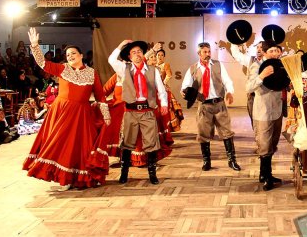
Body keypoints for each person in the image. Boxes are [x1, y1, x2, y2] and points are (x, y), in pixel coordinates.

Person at [23, 28, 111, 188]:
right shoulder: (63, 68)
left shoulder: (92, 73)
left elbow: (100, 95)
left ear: (81, 55)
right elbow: (43, 64)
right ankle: (63, 176)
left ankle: (78, 177)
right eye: (68, 54)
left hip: (81, 115)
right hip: (61, 112)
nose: (70, 56)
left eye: (73, 53)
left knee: (79, 146)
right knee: (59, 144)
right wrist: (35, 46)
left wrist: (106, 114)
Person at [108, 40, 168, 185]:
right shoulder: (124, 69)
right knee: (127, 142)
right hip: (131, 111)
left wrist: (164, 104)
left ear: (143, 54)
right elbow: (111, 60)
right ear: (129, 57)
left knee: (151, 142)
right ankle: (124, 173)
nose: (137, 55)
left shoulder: (153, 70)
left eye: (139, 52)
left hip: (147, 111)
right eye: (133, 53)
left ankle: (152, 174)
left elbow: (161, 89)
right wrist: (120, 45)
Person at [181, 42, 240, 172]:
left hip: (219, 104)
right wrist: (184, 92)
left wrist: (230, 92)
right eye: (205, 52)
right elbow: (185, 86)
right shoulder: (193, 69)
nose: (208, 54)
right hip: (204, 106)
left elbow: (227, 80)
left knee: (227, 133)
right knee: (203, 134)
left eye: (209, 51)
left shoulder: (218, 65)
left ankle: (232, 160)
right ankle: (206, 161)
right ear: (199, 53)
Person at [246, 41, 284, 191]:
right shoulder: (256, 66)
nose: (275, 53)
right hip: (262, 112)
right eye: (271, 51)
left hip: (277, 110)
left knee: (273, 143)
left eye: (276, 51)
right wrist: (262, 76)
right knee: (264, 145)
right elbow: (248, 87)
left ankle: (264, 174)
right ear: (265, 52)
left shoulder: (280, 65)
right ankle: (267, 177)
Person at [231, 41, 264, 127]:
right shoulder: (251, 60)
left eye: (261, 47)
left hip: (265, 97)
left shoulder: (270, 62)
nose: (259, 49)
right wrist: (234, 40)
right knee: (255, 123)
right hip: (252, 96)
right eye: (257, 47)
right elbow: (236, 55)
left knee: (265, 122)